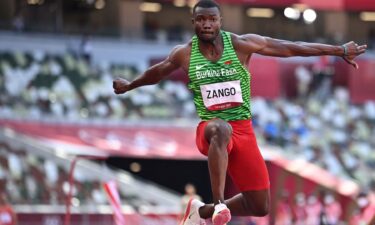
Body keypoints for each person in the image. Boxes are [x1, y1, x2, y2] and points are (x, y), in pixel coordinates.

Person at [112, 1, 367, 224]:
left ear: (220, 21)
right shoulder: (184, 54)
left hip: (243, 131)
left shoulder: (241, 45)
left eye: (212, 19)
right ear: (193, 22)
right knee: (221, 128)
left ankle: (201, 212)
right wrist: (130, 85)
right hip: (210, 129)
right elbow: (157, 72)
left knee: (260, 206)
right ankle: (219, 203)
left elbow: (290, 47)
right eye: (201, 19)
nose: (207, 24)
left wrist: (338, 50)